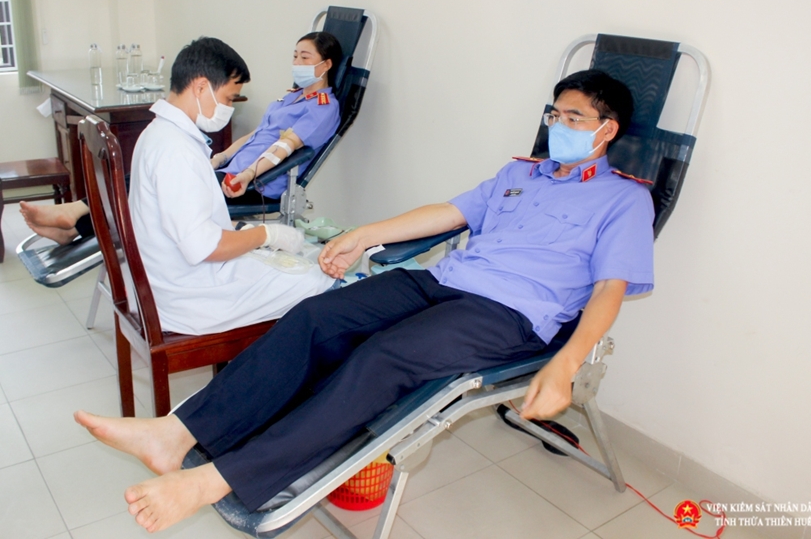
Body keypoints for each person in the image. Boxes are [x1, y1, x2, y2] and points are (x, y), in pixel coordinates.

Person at [75, 69, 655, 533]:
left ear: (606, 130)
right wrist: (364, 234)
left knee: (382, 358)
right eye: (555, 115)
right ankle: (176, 434)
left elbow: (610, 289)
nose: (559, 126)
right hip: (444, 282)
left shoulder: (624, 201)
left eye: (574, 118)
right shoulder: (519, 173)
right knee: (314, 317)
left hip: (510, 315)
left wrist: (566, 363)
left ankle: (214, 480)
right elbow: (448, 213)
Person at [19, 31, 342, 245]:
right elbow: (256, 135)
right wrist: (219, 158)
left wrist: (245, 175)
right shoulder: (291, 98)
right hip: (230, 170)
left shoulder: (324, 108)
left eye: (305, 58)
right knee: (139, 182)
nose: (296, 63)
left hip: (255, 184)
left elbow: (283, 148)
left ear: (326, 64)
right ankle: (76, 218)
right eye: (295, 56)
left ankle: (76, 221)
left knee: (148, 198)